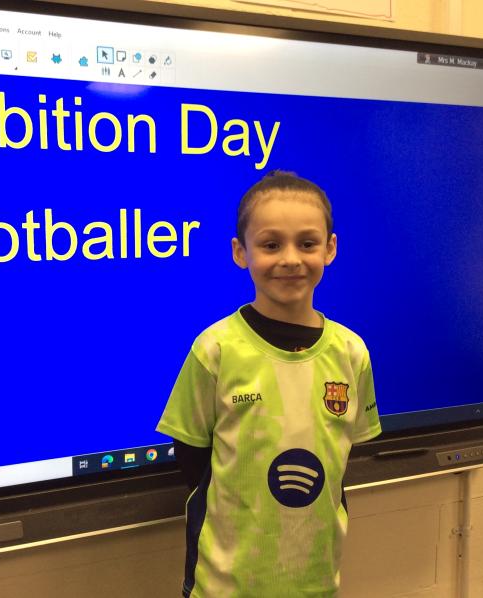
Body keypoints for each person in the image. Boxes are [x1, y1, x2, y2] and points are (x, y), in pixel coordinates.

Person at [156, 170, 381, 597]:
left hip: (315, 581)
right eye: (271, 245)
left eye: (307, 243)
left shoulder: (352, 353)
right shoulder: (215, 350)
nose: (291, 259)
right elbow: (192, 458)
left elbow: (344, 454)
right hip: (225, 585)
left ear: (330, 249)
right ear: (241, 252)